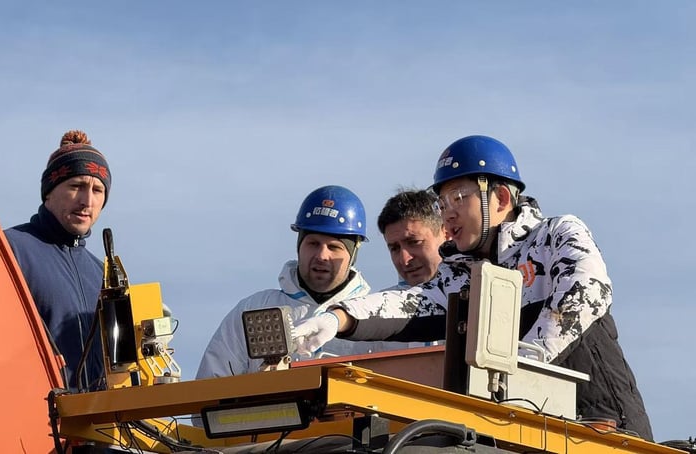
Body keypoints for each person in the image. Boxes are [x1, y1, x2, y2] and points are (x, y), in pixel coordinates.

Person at [294, 135, 653, 440]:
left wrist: (527, 360)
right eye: (442, 202)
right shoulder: (464, 273)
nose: (446, 213)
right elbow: (410, 303)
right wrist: (338, 318)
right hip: (524, 431)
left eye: (458, 198)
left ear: (500, 199)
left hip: (605, 427)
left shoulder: (556, 236)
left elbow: (587, 292)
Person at [195, 185, 418, 379]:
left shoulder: (376, 316)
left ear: (353, 254)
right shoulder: (254, 309)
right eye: (313, 243)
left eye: (334, 247)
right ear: (299, 244)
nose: (322, 256)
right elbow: (206, 394)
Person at [5, 130, 110, 391]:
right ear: (49, 192)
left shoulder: (104, 273)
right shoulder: (11, 249)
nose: (87, 201)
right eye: (76, 186)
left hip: (97, 426)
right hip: (32, 417)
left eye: (97, 190)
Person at [378, 188, 446, 289]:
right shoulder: (382, 303)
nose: (404, 259)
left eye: (414, 242)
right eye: (394, 248)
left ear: (446, 233)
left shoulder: (475, 293)